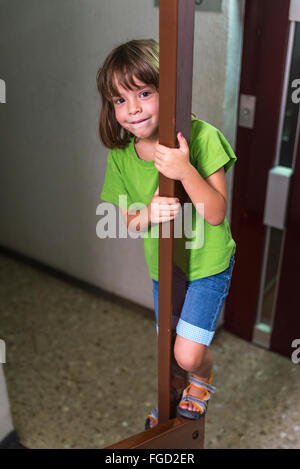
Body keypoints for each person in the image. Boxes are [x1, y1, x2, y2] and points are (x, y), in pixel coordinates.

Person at [97, 39, 236, 429]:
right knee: (168, 348)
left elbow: (215, 213)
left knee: (189, 355)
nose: (133, 109)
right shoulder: (121, 155)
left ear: (168, 90)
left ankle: (202, 377)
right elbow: (130, 220)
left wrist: (183, 169)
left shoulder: (203, 137)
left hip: (207, 265)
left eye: (143, 93)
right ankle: (171, 390)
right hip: (164, 268)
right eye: (119, 100)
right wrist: (150, 214)